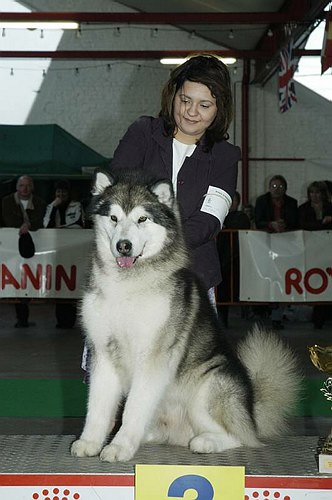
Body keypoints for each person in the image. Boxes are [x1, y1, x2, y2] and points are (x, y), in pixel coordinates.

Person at [81, 54, 240, 376]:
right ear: (173, 96)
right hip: (126, 272)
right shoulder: (143, 132)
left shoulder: (226, 156)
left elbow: (210, 221)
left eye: (205, 105)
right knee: (113, 372)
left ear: (219, 109)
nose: (192, 112)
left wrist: (157, 249)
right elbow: (117, 194)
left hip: (193, 276)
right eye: (186, 100)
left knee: (189, 375)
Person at [254, 175, 298, 329]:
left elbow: (296, 222)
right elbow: (257, 220)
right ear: (269, 187)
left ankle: (278, 313)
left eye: (280, 187)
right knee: (268, 276)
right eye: (273, 187)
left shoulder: (292, 203)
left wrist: (284, 224)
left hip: (285, 246)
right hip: (265, 245)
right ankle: (267, 309)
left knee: (283, 277)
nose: (276, 190)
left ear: (285, 188)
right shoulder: (261, 201)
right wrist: (271, 224)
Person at [1, 175, 46, 327]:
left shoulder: (40, 203)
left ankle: (24, 317)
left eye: (28, 186)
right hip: (11, 249)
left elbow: (40, 221)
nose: (25, 189)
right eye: (22, 185)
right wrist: (23, 226)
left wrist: (28, 226)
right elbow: (8, 220)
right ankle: (21, 318)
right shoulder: (6, 202)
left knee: (27, 282)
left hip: (35, 249)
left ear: (32, 187)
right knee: (15, 281)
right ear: (17, 187)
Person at [43, 179, 84, 328]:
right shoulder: (50, 206)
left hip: (72, 251)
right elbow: (46, 225)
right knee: (59, 283)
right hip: (56, 251)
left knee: (71, 282)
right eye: (58, 192)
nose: (61, 195)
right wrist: (54, 207)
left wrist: (63, 228)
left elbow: (80, 225)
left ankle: (70, 320)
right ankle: (60, 320)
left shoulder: (76, 206)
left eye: (64, 192)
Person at [298, 180, 332, 329]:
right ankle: (318, 320)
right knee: (317, 282)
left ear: (323, 194)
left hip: (328, 252)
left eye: (318, 192)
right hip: (310, 252)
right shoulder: (303, 209)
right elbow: (301, 226)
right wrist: (322, 224)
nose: (315, 195)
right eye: (312, 192)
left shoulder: (330, 208)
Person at [216, 191, 251, 327]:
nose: (231, 204)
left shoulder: (241, 216)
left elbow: (242, 225)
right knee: (223, 290)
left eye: (234, 201)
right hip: (221, 258)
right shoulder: (218, 216)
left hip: (237, 259)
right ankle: (223, 318)